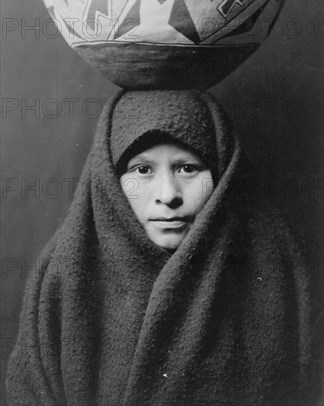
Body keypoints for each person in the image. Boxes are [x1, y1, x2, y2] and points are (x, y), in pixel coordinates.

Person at [6, 89, 317, 405]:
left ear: (224, 173)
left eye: (188, 168)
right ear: (109, 180)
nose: (168, 195)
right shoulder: (62, 277)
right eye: (143, 170)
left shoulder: (277, 269)